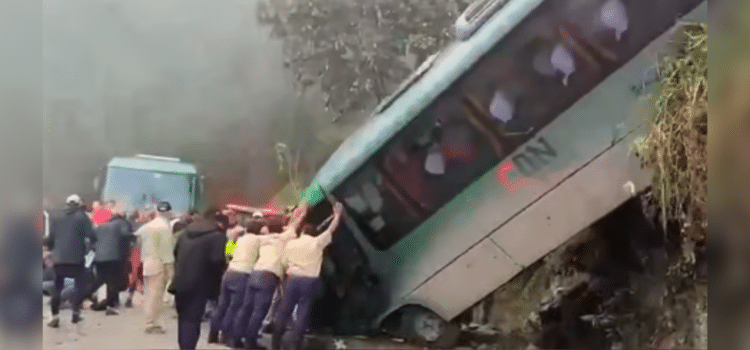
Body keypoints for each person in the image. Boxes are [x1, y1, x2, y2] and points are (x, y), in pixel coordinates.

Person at [273, 202, 344, 350]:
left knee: (284, 309)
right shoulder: (317, 243)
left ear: (303, 232)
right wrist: (337, 215)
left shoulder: (291, 244)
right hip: (310, 281)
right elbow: (331, 230)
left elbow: (285, 262)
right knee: (303, 311)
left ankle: (276, 341)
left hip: (292, 279)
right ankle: (296, 344)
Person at [235, 206, 308, 349]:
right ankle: (250, 342)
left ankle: (236, 338)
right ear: (283, 229)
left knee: (246, 307)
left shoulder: (261, 239)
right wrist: (303, 211)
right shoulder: (284, 239)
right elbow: (295, 225)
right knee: (259, 311)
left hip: (254, 273)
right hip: (268, 276)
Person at [170, 207, 227, 350]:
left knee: (184, 320)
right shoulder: (218, 236)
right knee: (193, 321)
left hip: (180, 281)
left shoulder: (185, 234)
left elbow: (176, 253)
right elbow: (219, 261)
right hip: (200, 284)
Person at [44, 194, 96, 328]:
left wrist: (51, 250)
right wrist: (90, 247)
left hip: (59, 258)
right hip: (76, 258)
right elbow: (91, 235)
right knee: (80, 285)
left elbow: (50, 239)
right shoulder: (82, 216)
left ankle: (55, 316)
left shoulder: (56, 217)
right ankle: (75, 313)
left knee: (57, 286)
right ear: (78, 205)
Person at [209, 218, 260, 346]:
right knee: (234, 307)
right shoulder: (258, 240)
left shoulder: (237, 239)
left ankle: (213, 334)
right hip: (243, 274)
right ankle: (226, 336)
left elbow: (228, 255)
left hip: (230, 272)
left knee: (222, 305)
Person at [90, 203, 133, 315]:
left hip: (99, 257)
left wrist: (97, 250)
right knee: (114, 281)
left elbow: (92, 240)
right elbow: (125, 234)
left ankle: (82, 295)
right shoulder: (122, 223)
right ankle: (111, 305)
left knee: (100, 280)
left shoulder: (103, 226)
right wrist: (134, 237)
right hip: (115, 256)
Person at [139, 202, 175, 334]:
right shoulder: (165, 227)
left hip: (147, 263)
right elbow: (166, 251)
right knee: (156, 296)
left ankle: (150, 321)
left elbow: (139, 240)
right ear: (169, 212)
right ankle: (152, 323)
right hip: (159, 264)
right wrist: (170, 270)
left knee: (149, 295)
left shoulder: (148, 226)